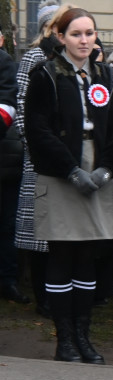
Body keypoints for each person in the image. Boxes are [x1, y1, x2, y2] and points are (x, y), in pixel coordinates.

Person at [22, 7, 113, 364]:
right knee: (62, 256)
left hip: (98, 173)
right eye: (76, 34)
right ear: (61, 37)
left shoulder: (107, 76)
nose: (84, 40)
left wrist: (106, 169)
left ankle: (84, 336)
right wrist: (70, 170)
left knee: (87, 258)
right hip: (62, 174)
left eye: (90, 33)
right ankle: (64, 340)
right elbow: (37, 129)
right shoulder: (46, 75)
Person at [14, 0, 62, 317]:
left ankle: (58, 294)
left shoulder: (68, 58)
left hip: (64, 155)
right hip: (37, 156)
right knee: (38, 232)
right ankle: (42, 295)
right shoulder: (33, 56)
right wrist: (31, 143)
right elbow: (21, 101)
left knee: (59, 230)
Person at [1, 25, 26, 305]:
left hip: (6, 161)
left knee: (7, 225)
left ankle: (7, 280)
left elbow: (7, 108)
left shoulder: (4, 62)